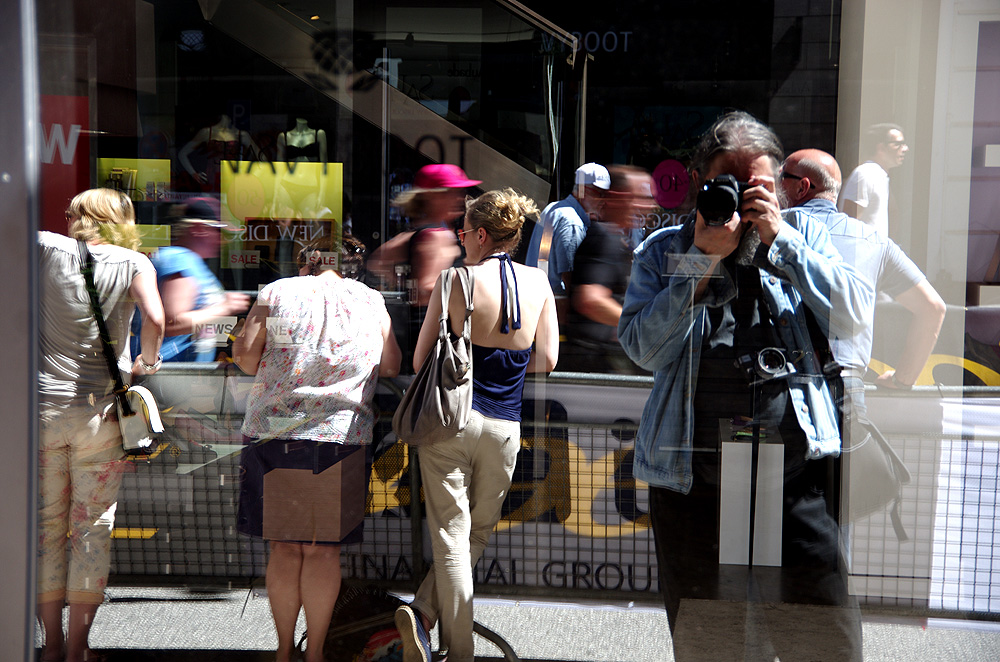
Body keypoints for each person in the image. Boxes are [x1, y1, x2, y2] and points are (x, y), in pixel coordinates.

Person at [617, 111, 874, 661]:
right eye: (725, 184)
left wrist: (780, 238)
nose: (738, 198)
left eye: (754, 183)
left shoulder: (806, 234)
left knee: (822, 634)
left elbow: (854, 317)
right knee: (712, 641)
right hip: (694, 479)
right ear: (701, 183)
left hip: (796, 475)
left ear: (780, 183)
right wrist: (703, 259)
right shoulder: (666, 249)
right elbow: (644, 350)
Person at [395, 189, 559, 662]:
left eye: (464, 232)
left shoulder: (456, 280)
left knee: (450, 535)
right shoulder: (539, 284)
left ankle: (455, 648)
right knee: (476, 534)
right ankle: (425, 619)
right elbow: (547, 358)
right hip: (505, 428)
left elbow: (422, 356)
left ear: (482, 235)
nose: (461, 239)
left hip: (452, 422)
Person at [232, 242, 401, 662]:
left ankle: (284, 651)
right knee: (323, 550)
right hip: (341, 435)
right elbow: (393, 364)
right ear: (351, 267)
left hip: (276, 434)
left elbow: (246, 359)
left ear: (307, 262)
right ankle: (317, 653)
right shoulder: (372, 299)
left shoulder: (276, 292)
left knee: (286, 548)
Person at [779, 148, 946, 532]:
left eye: (782, 178)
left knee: (770, 522)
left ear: (803, 187)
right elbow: (933, 309)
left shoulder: (773, 230)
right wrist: (903, 380)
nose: (775, 185)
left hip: (778, 387)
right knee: (836, 519)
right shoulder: (873, 240)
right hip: (847, 391)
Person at [37, 189, 165, 662]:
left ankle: (48, 645)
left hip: (42, 411)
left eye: (70, 211)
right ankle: (77, 649)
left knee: (44, 529)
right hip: (101, 415)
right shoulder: (136, 263)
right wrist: (147, 361)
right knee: (91, 528)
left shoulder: (43, 247)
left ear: (81, 217)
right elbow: (154, 316)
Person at [367, 163, 480, 366]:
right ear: (433, 197)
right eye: (452, 192)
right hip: (432, 333)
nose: (459, 198)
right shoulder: (437, 236)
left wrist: (403, 282)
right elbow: (428, 287)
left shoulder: (418, 232)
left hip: (420, 330)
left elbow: (377, 261)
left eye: (461, 192)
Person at [562, 165, 655, 373]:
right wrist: (644, 325)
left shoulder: (612, 238)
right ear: (617, 197)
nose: (649, 207)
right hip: (596, 364)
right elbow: (591, 300)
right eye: (641, 198)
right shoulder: (604, 239)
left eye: (650, 200)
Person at [155, 197, 251, 362]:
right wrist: (225, 307)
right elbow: (173, 323)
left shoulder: (191, 261)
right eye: (219, 231)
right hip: (169, 373)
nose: (223, 240)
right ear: (199, 229)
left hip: (183, 375)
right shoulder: (178, 260)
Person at [541, 162, 610, 298]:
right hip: (554, 303)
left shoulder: (552, 208)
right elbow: (569, 277)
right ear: (583, 191)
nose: (604, 200)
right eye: (600, 194)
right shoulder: (573, 223)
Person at [838, 123, 909, 237]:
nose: (905, 149)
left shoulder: (881, 176)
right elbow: (849, 223)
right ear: (880, 147)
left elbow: (893, 213)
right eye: (898, 144)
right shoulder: (865, 174)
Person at [178, 113, 265, 192]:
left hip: (232, 176)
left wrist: (252, 173)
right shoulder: (207, 132)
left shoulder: (241, 134)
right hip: (212, 176)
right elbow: (182, 154)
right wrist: (193, 173)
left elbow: (262, 157)